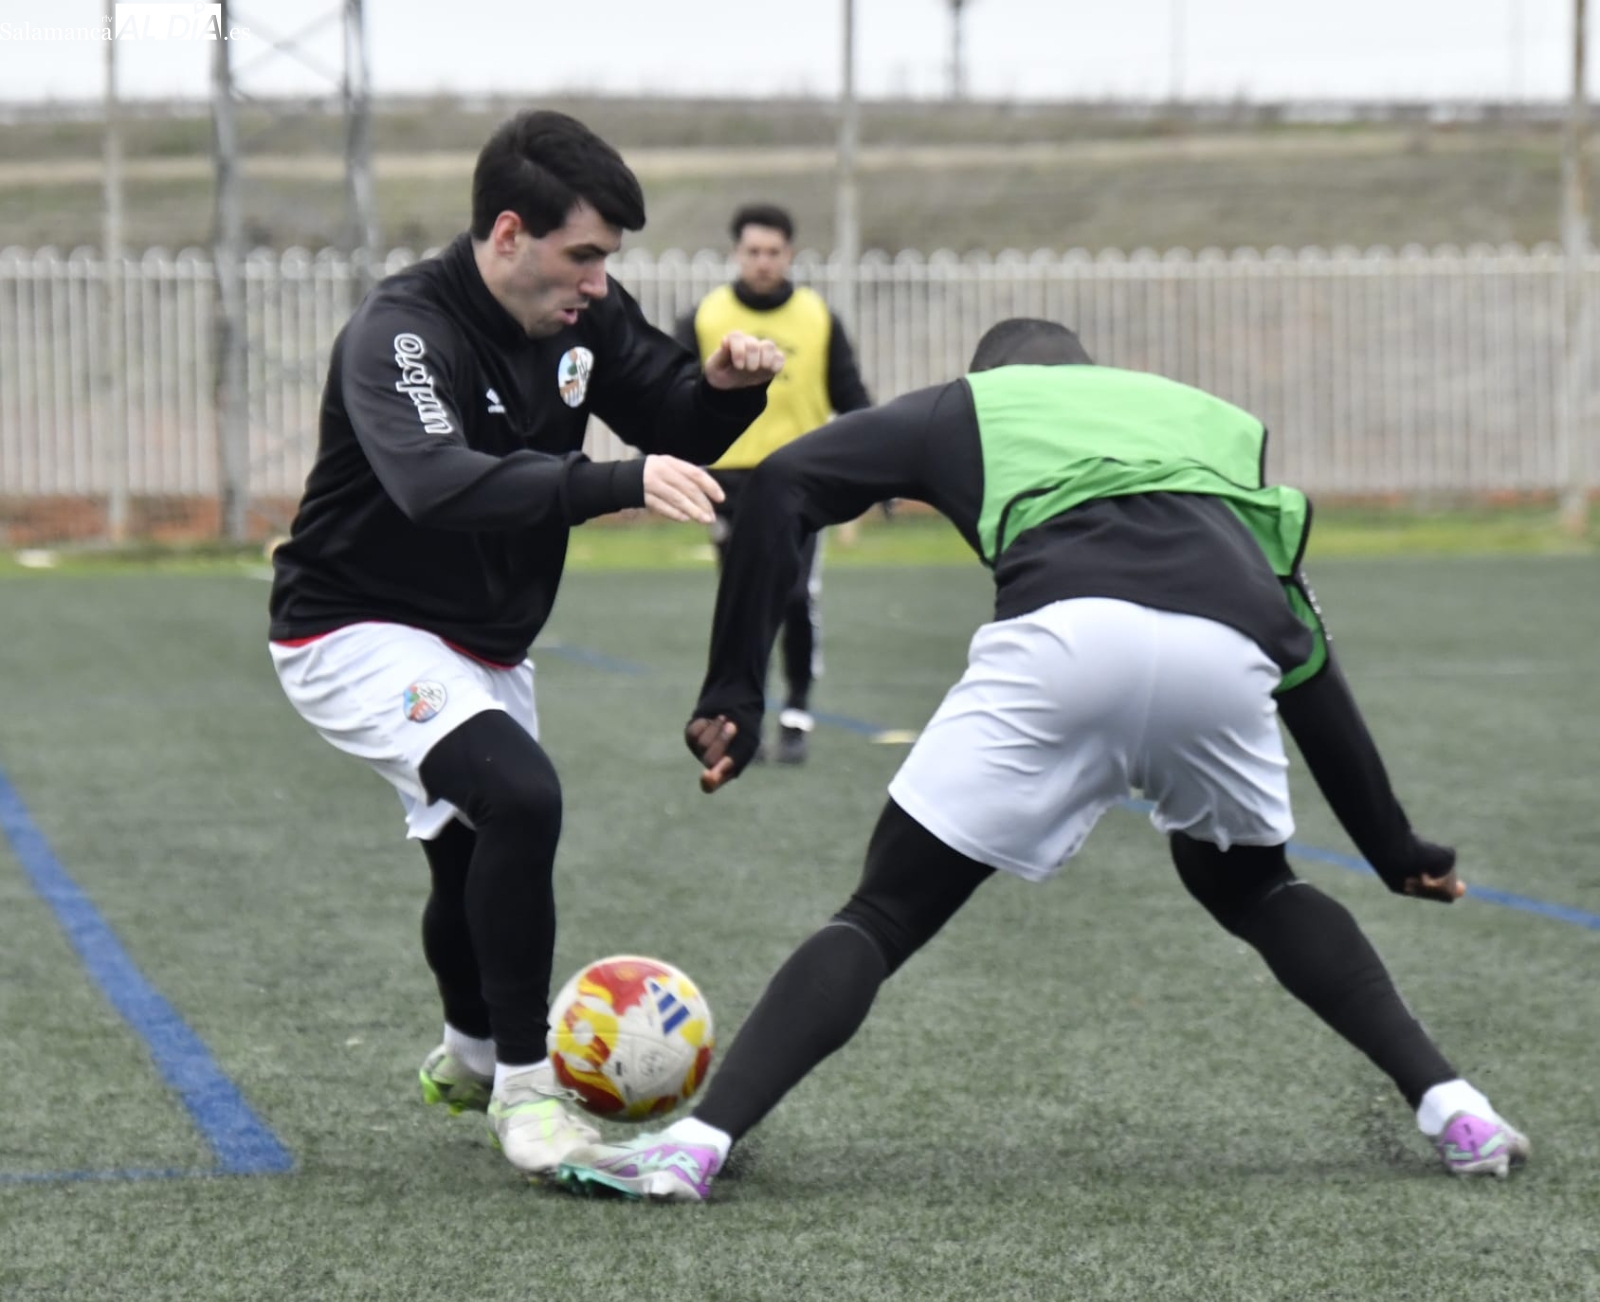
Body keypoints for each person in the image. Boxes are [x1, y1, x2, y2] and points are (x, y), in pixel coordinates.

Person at [553, 317, 1529, 1202]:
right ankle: (1458, 1108)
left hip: (1067, 639)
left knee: (885, 912)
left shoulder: (971, 407)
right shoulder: (1203, 420)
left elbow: (780, 485)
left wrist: (733, 690)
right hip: (1222, 650)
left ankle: (697, 1146)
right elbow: (1303, 649)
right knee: (1253, 884)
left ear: (988, 377)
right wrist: (1393, 846)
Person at [266, 109, 783, 1180]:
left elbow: (672, 418)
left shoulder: (585, 313)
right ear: (508, 233)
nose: (597, 280)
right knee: (520, 797)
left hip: (487, 641)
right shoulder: (402, 333)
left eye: (608, 258)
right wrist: (612, 482)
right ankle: (525, 1090)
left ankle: (467, 1050)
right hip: (353, 624)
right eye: (582, 254)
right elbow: (435, 482)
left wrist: (727, 391)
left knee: (468, 858)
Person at [672, 203, 872, 763]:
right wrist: (662, 464)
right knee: (743, 606)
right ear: (737, 254)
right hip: (728, 485)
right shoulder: (706, 317)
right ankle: (743, 718)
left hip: (801, 480)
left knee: (796, 596)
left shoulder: (818, 318)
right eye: (753, 251)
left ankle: (797, 711)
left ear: (790, 254)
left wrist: (879, 467)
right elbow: (670, 400)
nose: (763, 261)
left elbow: (852, 398)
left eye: (773, 252)